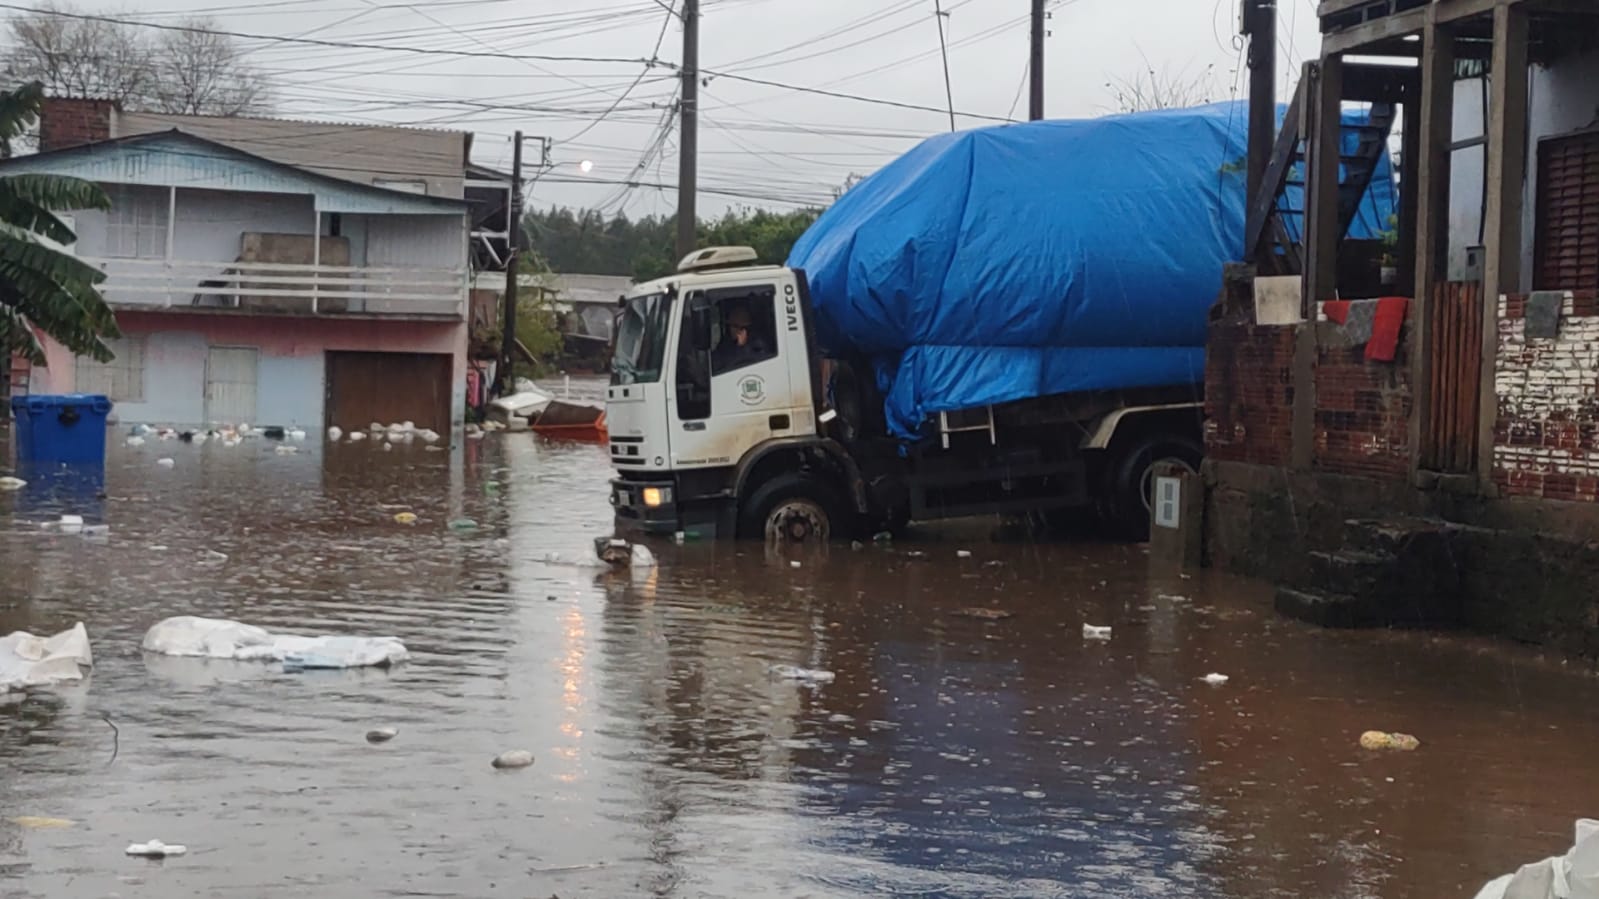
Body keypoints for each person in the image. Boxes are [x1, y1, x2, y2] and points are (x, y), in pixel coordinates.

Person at [712, 304, 768, 373]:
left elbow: (744, 364)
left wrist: (742, 347)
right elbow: (716, 363)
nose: (732, 330)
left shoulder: (758, 345)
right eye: (731, 326)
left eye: (735, 326)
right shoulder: (726, 343)